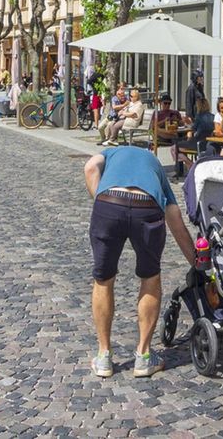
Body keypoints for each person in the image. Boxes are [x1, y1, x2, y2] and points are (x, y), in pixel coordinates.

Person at [84, 145, 197, 379]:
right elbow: (175, 219)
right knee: (150, 276)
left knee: (103, 279)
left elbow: (90, 167)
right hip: (146, 206)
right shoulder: (154, 165)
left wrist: (100, 202)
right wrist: (197, 264)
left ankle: (104, 356)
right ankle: (144, 356)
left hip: (109, 202)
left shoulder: (110, 153)